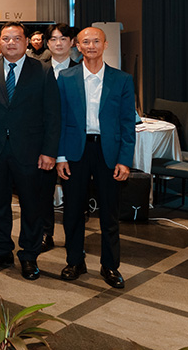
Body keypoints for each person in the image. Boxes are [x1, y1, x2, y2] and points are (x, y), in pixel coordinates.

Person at [0, 21, 60, 280]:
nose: (11, 43)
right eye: (6, 38)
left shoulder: (42, 71)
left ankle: (29, 256)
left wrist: (49, 152)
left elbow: (53, 115)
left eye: (16, 38)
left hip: (30, 151)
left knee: (31, 205)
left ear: (26, 41)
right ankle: (2, 250)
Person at [57, 27, 135, 289]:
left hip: (108, 152)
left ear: (105, 44)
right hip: (76, 151)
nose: (91, 46)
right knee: (73, 211)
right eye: (85, 42)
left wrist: (125, 160)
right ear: (77, 46)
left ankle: (110, 266)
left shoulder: (122, 80)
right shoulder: (66, 78)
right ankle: (75, 261)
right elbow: (60, 120)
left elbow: (127, 123)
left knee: (110, 214)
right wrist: (60, 156)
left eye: (96, 41)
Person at [39, 22, 81, 251]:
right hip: (44, 142)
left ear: (72, 42)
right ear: (47, 43)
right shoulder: (37, 68)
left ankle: (75, 240)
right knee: (43, 192)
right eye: (53, 39)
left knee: (74, 195)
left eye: (63, 39)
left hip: (72, 142)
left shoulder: (82, 69)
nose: (58, 43)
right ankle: (46, 233)